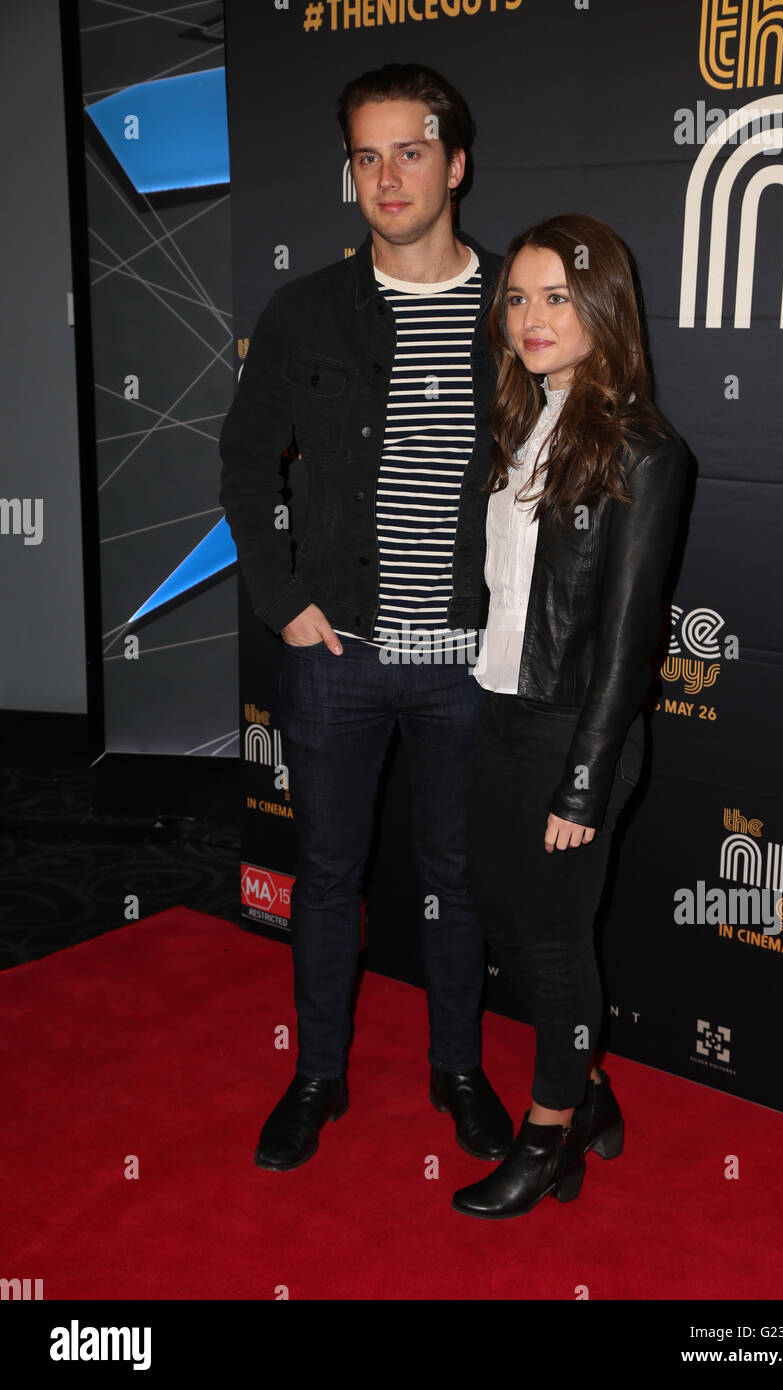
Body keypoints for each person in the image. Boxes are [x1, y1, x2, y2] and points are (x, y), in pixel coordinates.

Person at [218, 63, 514, 1172]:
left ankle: (456, 1070)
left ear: (455, 161)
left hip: (468, 668)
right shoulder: (307, 310)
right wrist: (282, 600)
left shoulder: (516, 304)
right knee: (327, 876)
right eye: (366, 155)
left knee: (452, 876)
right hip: (336, 657)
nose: (387, 176)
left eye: (410, 150)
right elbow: (246, 462)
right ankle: (317, 1074)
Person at [451, 213, 689, 1219]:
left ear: (601, 307)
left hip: (571, 732)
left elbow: (630, 640)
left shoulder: (643, 450)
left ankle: (544, 1133)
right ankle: (586, 1091)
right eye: (517, 297)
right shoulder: (520, 422)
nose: (531, 318)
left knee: (549, 944)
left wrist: (585, 776)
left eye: (556, 297)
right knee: (509, 920)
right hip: (499, 710)